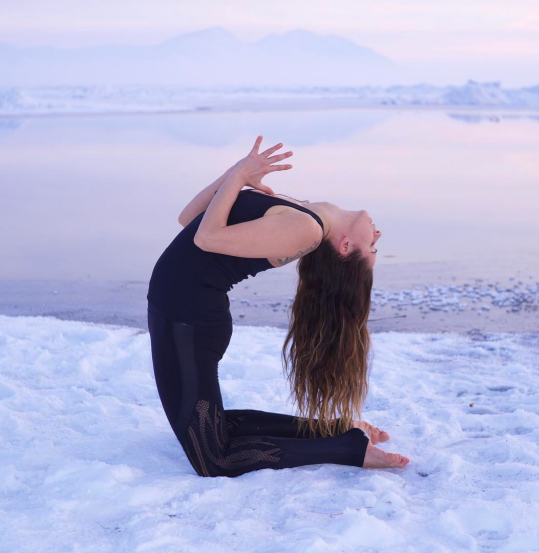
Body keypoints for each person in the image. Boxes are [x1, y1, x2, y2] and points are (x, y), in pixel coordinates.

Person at [147, 136, 410, 478]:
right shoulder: (310, 216)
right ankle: (333, 430)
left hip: (186, 322)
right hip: (183, 313)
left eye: (372, 248)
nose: (378, 236)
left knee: (211, 457)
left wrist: (240, 176)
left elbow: (205, 239)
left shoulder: (306, 229)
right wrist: (234, 174)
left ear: (345, 247)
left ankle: (348, 448)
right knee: (212, 427)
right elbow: (190, 219)